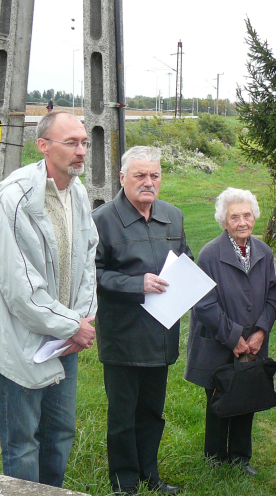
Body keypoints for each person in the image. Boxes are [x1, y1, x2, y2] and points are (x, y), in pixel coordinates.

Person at [0, 111, 98, 487]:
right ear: (43, 146)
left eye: (84, 143)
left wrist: (78, 320)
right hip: (24, 340)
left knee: (59, 433)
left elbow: (88, 257)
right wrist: (72, 325)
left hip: (65, 338)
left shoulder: (75, 191)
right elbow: (20, 288)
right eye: (72, 143)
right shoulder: (14, 199)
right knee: (23, 442)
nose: (81, 151)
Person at [92, 145, 192, 495]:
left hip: (160, 335)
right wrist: (137, 284)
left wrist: (187, 283)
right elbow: (93, 274)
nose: (148, 182)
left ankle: (150, 475)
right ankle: (124, 483)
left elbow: (185, 262)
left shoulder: (173, 216)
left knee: (152, 412)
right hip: (122, 335)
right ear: (122, 178)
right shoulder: (102, 219)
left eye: (155, 176)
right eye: (140, 176)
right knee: (122, 416)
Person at [185, 187, 276, 476]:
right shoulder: (210, 254)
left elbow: (272, 297)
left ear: (255, 218)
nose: (242, 222)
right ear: (224, 222)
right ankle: (215, 457)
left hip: (253, 344)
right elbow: (204, 304)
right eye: (234, 217)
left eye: (247, 215)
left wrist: (261, 330)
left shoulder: (263, 251)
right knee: (218, 398)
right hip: (218, 343)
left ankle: (241, 457)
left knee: (246, 397)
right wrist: (233, 337)